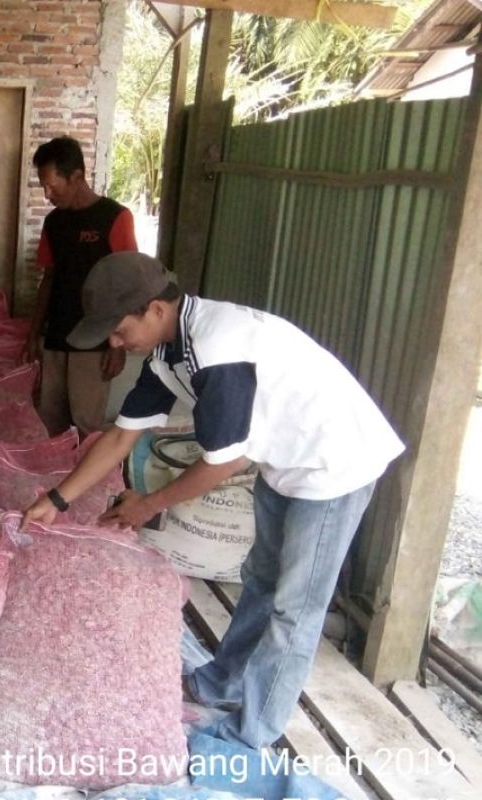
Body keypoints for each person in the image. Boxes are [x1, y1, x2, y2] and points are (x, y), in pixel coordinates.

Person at [23, 252, 404, 750]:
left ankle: (253, 733)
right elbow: (121, 437)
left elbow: (223, 463)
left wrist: (149, 503)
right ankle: (222, 680)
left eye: (118, 331)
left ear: (154, 309)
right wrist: (57, 499)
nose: (115, 344)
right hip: (283, 457)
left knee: (295, 608)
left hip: (331, 461)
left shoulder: (216, 345)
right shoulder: (166, 352)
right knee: (261, 580)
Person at [25, 135, 139, 436]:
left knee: (87, 425)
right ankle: (54, 480)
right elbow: (48, 279)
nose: (47, 194)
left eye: (52, 185)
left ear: (77, 177)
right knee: (51, 423)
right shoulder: (54, 223)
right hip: (57, 336)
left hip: (96, 342)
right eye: (43, 186)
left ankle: (87, 482)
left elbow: (129, 284)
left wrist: (119, 343)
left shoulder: (115, 218)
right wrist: (33, 335)